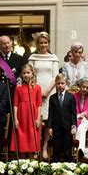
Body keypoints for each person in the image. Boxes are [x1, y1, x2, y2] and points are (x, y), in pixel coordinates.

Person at [27, 31, 59, 161]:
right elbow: (30, 75)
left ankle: (44, 146)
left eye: (45, 42)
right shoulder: (32, 58)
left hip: (50, 92)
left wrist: (46, 91)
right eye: (41, 43)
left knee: (47, 121)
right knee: (37, 121)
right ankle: (35, 147)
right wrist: (38, 90)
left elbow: (55, 76)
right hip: (35, 91)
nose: (43, 45)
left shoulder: (53, 58)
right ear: (37, 44)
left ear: (48, 43)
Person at [10, 64, 42, 159]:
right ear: (21, 75)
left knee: (32, 138)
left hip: (32, 116)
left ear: (32, 74)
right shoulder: (18, 88)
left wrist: (38, 119)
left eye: (28, 72)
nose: (26, 75)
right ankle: (22, 161)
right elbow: (15, 104)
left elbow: (39, 104)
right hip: (22, 116)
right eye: (24, 73)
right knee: (22, 139)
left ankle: (31, 162)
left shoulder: (37, 87)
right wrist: (15, 119)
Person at [48, 73, 77, 162]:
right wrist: (50, 126)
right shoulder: (52, 98)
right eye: (58, 83)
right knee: (56, 147)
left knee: (67, 147)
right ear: (56, 84)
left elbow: (73, 112)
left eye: (62, 83)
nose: (60, 85)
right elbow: (51, 113)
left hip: (67, 126)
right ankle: (55, 165)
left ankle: (68, 164)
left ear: (66, 83)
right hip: (56, 126)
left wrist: (73, 125)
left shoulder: (71, 97)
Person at [0, 35, 24, 104]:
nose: (7, 45)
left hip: (14, 93)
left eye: (8, 43)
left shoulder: (19, 58)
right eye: (4, 43)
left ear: (11, 43)